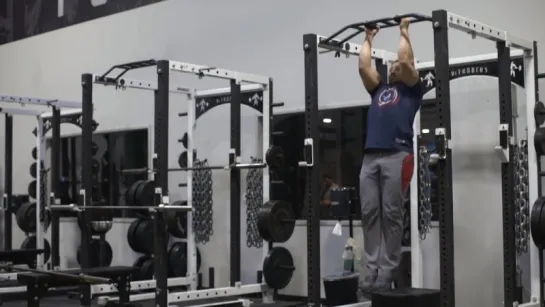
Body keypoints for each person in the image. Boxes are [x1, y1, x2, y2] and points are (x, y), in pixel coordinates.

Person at [358, 18, 422, 294]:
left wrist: (404, 31)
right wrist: (369, 38)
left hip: (399, 156)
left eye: (397, 64)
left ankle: (385, 275)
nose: (394, 66)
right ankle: (369, 274)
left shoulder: (412, 89)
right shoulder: (379, 89)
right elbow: (363, 67)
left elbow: (406, 61)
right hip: (370, 158)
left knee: (392, 215)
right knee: (370, 213)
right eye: (391, 65)